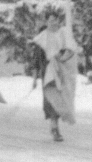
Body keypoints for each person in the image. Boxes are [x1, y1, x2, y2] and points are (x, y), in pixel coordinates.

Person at [31, 12, 80, 142]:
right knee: (51, 100)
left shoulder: (64, 35)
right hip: (48, 74)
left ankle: (55, 125)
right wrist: (35, 79)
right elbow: (36, 60)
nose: (54, 23)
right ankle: (54, 128)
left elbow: (71, 52)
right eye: (51, 20)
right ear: (46, 22)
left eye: (56, 20)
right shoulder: (41, 38)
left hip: (62, 73)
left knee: (61, 98)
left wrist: (63, 57)